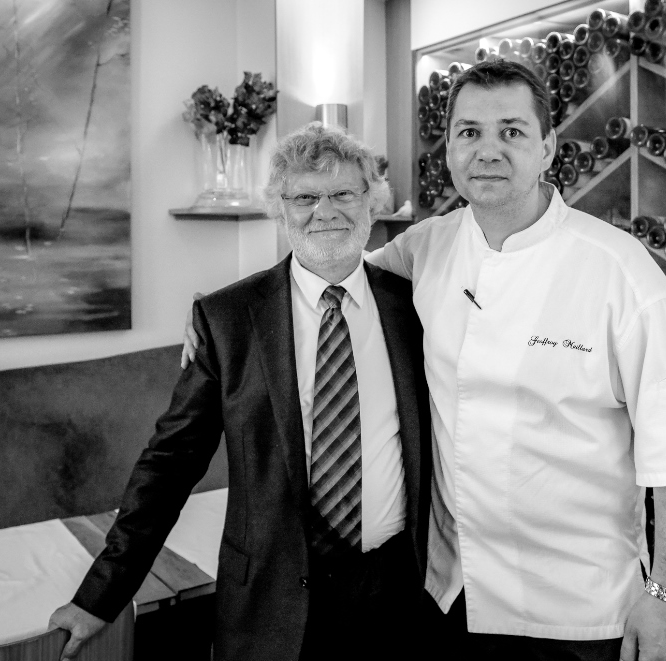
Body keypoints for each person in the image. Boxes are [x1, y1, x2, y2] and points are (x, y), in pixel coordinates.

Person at [184, 61, 666, 661]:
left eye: (511, 131)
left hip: (581, 612)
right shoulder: (426, 246)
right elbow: (326, 274)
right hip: (448, 602)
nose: (487, 150)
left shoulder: (620, 270)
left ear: (548, 148)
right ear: (450, 150)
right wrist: (217, 311)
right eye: (469, 133)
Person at [50, 122, 432, 661]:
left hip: (396, 595)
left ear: (373, 202)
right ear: (280, 209)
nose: (325, 211)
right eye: (304, 197)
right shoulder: (228, 320)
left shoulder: (417, 308)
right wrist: (100, 595)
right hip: (271, 603)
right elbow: (170, 464)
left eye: (345, 193)